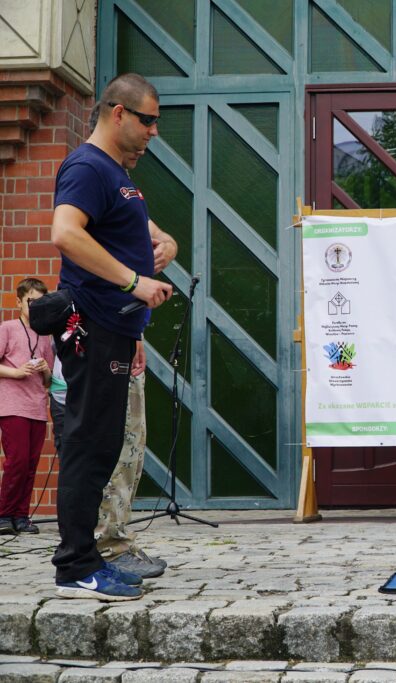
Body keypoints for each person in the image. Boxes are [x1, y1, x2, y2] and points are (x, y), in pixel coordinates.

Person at [49, 72, 175, 601]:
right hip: (93, 328)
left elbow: (130, 233)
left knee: (103, 446)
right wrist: (134, 280)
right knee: (89, 445)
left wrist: (161, 241)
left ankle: (91, 557)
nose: (153, 131)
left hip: (117, 330)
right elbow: (65, 232)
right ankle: (76, 565)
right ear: (117, 112)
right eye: (147, 120)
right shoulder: (86, 166)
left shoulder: (118, 175)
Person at [49, 343, 167, 578]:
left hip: (116, 353)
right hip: (101, 360)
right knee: (114, 459)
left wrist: (136, 336)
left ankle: (116, 538)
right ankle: (108, 546)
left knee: (130, 455)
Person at [0, 278, 55, 535]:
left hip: (36, 406)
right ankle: (4, 514)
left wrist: (45, 371)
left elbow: (48, 382)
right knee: (17, 461)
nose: (35, 306)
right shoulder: (8, 328)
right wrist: (16, 372)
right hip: (13, 405)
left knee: (31, 462)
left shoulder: (45, 334)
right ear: (19, 301)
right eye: (31, 301)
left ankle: (21, 515)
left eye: (40, 301)